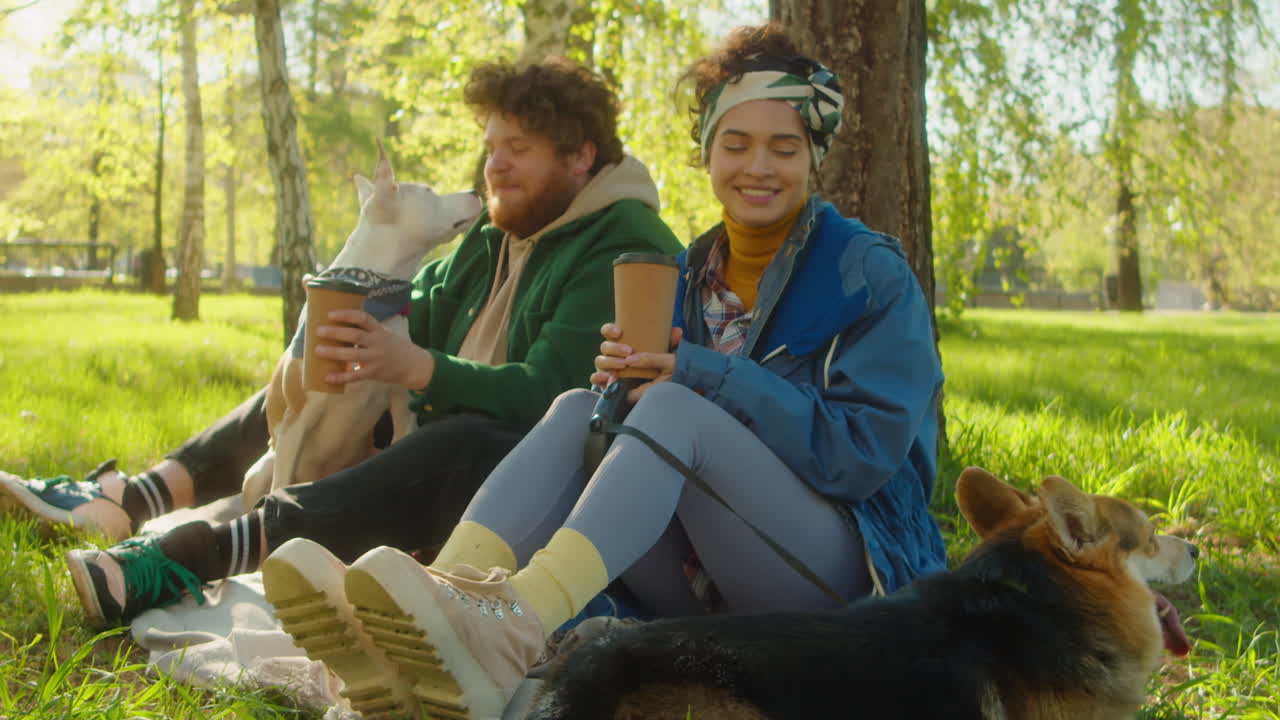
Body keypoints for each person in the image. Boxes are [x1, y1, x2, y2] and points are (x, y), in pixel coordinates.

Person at [261, 23, 949, 720]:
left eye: (785, 148)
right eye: (736, 144)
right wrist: (617, 396)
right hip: (705, 577)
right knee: (576, 408)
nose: (758, 167)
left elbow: (858, 458)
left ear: (813, 157)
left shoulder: (866, 272)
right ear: (707, 153)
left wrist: (699, 377)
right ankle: (437, 602)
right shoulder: (686, 273)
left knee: (674, 408)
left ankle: (514, 626)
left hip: (848, 579)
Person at [0, 56, 683, 626]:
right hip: (436, 450)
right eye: (491, 147)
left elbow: (555, 400)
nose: (495, 166)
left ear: (580, 156)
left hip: (535, 494)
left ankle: (195, 556)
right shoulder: (502, 228)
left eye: (519, 149)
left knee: (465, 439)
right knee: (339, 362)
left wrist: (419, 369)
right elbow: (420, 307)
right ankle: (135, 498)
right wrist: (352, 328)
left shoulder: (622, 244)